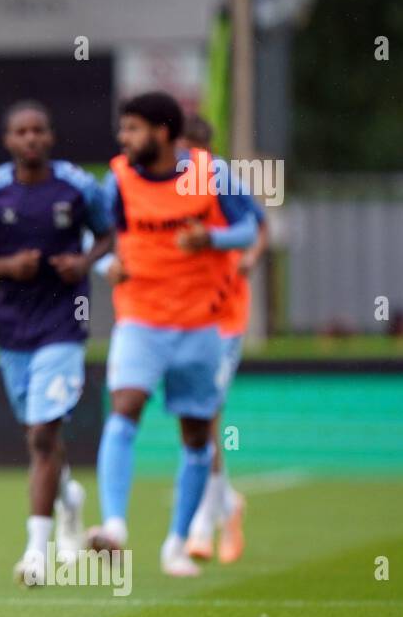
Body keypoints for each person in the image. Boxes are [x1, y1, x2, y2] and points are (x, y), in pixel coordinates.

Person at [87, 92, 260, 577]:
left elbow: (249, 228)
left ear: (162, 132)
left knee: (197, 435)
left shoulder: (209, 173)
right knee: (124, 409)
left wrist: (213, 239)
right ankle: (114, 527)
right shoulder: (118, 177)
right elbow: (96, 234)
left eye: (133, 129)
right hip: (140, 319)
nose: (124, 139)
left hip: (200, 324)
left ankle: (179, 543)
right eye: (123, 130)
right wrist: (106, 263)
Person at [0, 100, 113, 586]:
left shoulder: (80, 185)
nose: (31, 139)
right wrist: (5, 267)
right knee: (38, 436)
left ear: (50, 136)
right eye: (21, 132)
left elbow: (110, 235)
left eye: (38, 130)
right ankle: (70, 501)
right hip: (12, 329)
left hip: (64, 325)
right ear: (8, 140)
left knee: (44, 435)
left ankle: (35, 554)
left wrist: (85, 263)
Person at [178, 114, 268, 564]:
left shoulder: (218, 177)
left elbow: (258, 224)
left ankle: (199, 525)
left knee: (206, 411)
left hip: (226, 315)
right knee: (197, 416)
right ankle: (226, 505)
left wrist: (248, 255)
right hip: (185, 316)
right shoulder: (164, 184)